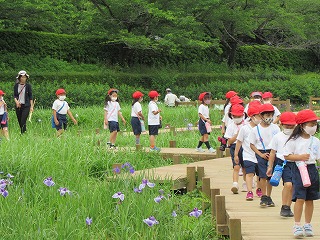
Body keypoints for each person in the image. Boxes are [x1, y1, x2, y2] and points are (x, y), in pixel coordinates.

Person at [283, 109, 320, 238]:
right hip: (299, 169)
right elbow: (287, 156)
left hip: (312, 170)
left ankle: (308, 224)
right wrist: (300, 157)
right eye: (311, 124)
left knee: (310, 199)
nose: (313, 127)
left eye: (315, 123)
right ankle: (297, 225)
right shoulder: (294, 140)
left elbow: (318, 157)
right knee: (300, 198)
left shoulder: (316, 141)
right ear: (302, 125)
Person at [249, 103, 280, 207]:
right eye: (267, 115)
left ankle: (269, 196)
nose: (269, 118)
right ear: (261, 116)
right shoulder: (255, 130)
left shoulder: (275, 128)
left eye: (271, 115)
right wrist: (260, 155)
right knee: (262, 175)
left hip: (273, 152)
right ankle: (263, 196)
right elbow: (252, 145)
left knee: (270, 176)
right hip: (262, 152)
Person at [266, 112, 296, 217]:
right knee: (288, 184)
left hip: (296, 163)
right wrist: (270, 166)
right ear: (281, 124)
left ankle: (288, 206)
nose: (289, 127)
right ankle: (284, 206)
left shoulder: (297, 136)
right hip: (282, 163)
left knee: (294, 186)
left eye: (291, 125)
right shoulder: (277, 137)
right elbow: (272, 152)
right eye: (287, 125)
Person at [235, 103, 262, 200]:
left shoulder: (261, 128)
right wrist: (236, 155)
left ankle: (259, 189)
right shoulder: (245, 128)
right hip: (248, 155)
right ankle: (249, 191)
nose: (260, 118)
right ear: (252, 116)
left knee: (260, 175)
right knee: (249, 174)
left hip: (260, 156)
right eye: (258, 116)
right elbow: (239, 141)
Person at [224, 104, 246, 194]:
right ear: (232, 116)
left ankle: (246, 183)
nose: (237, 118)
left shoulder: (246, 125)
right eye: (235, 116)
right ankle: (235, 184)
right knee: (236, 166)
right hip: (234, 146)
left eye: (239, 116)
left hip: (245, 147)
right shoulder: (230, 126)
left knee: (245, 167)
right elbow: (229, 141)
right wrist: (237, 135)